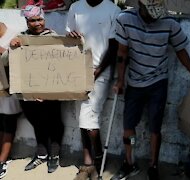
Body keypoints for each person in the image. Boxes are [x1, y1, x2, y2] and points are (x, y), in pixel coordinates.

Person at [112, 0, 190, 179]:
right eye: (150, 12)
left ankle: (153, 166)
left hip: (158, 83)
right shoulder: (125, 19)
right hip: (135, 82)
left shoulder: (169, 23)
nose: (155, 17)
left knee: (155, 128)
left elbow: (180, 50)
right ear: (140, 5)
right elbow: (122, 53)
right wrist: (120, 80)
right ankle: (129, 162)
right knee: (128, 127)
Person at [65, 0, 120, 179]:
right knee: (83, 116)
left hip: (100, 71)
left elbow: (114, 48)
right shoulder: (76, 7)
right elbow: (68, 38)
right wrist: (71, 35)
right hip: (77, 70)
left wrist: (96, 72)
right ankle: (89, 161)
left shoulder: (113, 10)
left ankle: (96, 160)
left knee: (90, 120)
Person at [10, 5, 64, 174]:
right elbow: (8, 60)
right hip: (28, 92)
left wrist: (47, 91)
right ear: (27, 21)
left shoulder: (53, 37)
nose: (37, 23)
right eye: (32, 20)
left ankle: (54, 155)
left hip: (50, 91)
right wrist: (12, 46)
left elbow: (61, 64)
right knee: (36, 122)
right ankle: (41, 155)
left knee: (54, 121)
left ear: (44, 19)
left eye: (39, 19)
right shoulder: (21, 37)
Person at [0, 22, 23, 179]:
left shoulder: (15, 35)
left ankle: (2, 161)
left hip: (9, 89)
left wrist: (3, 51)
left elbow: (21, 60)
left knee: (8, 123)